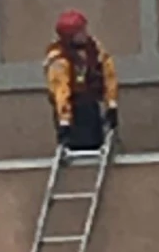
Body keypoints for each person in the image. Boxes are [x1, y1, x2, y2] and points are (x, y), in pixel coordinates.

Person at [44, 10, 118, 151]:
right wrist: (64, 121)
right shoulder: (59, 58)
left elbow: (108, 75)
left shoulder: (94, 49)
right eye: (80, 32)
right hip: (73, 109)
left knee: (95, 139)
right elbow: (61, 91)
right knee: (78, 144)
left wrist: (111, 104)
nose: (85, 34)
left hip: (91, 104)